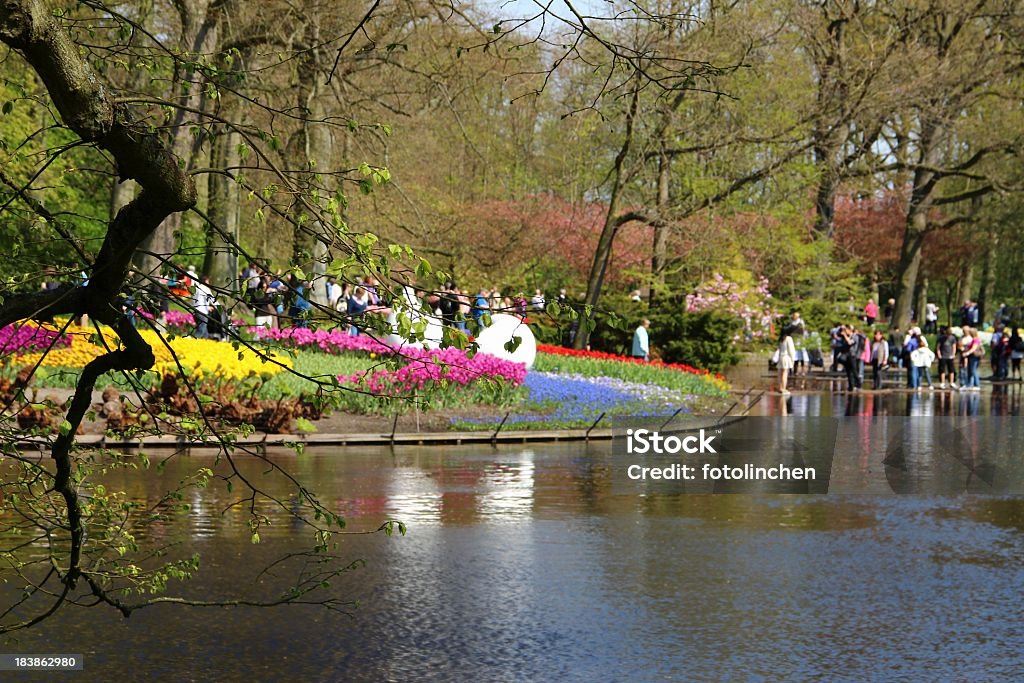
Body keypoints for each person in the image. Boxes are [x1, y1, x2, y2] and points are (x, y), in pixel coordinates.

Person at [777, 325, 796, 395]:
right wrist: (792, 359)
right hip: (786, 357)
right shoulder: (789, 338)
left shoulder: (781, 338)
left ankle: (780, 387)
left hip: (780, 357)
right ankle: (783, 388)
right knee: (785, 373)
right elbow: (791, 350)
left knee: (780, 373)